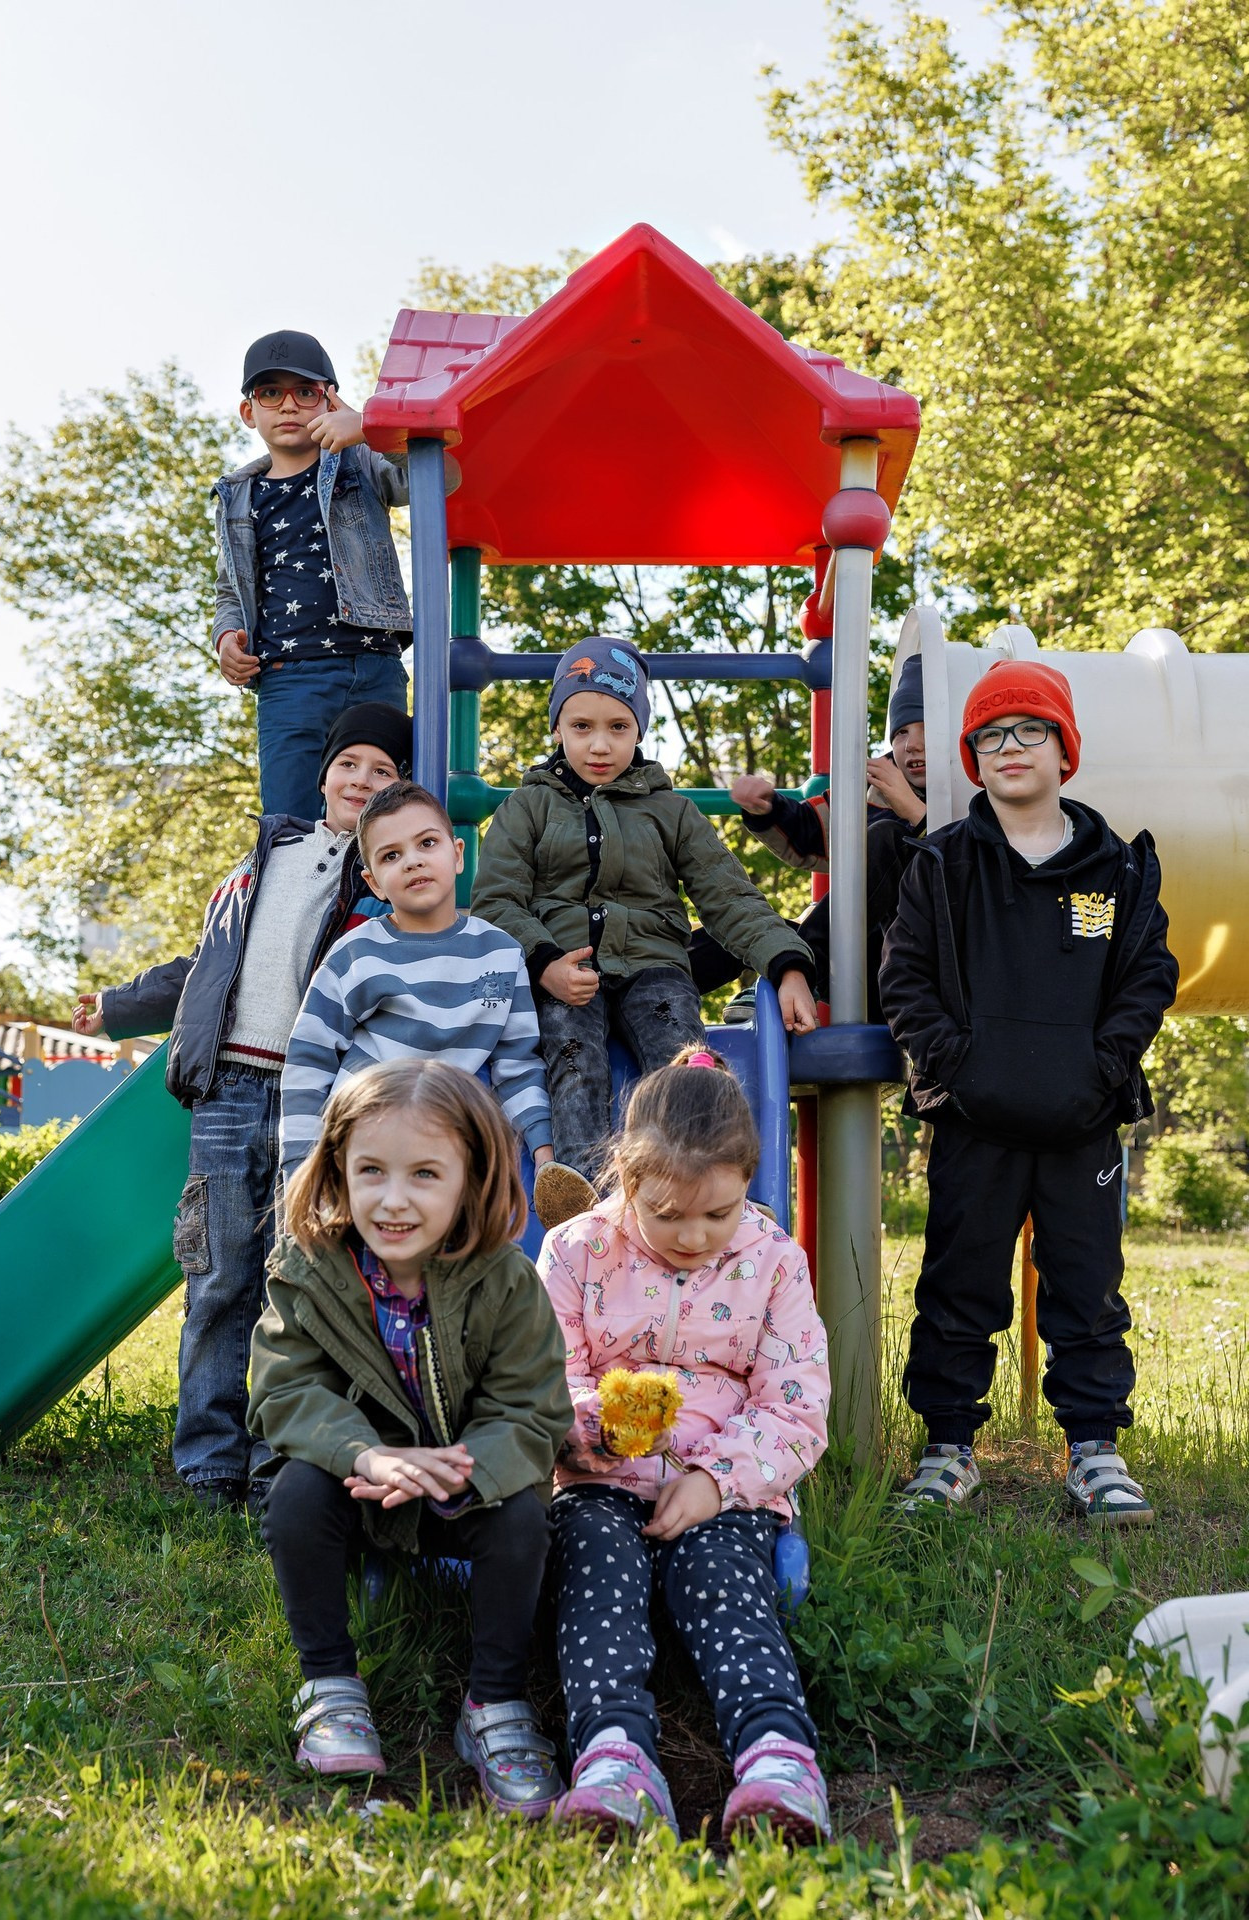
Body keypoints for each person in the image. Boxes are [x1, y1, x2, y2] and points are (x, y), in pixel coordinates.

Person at [72, 703, 413, 1510]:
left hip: (316, 1100)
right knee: (219, 1271)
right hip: (228, 1088)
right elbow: (207, 965)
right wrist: (120, 1006)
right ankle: (208, 1462)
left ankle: (276, 1456)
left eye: (384, 772)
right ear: (325, 771)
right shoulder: (268, 856)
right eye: (351, 764)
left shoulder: (384, 875)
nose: (362, 781)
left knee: (292, 1276)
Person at [879, 660, 1178, 1523]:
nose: (1012, 748)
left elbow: (1146, 978)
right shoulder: (942, 864)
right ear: (971, 758)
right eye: (991, 736)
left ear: (1064, 749)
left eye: (1030, 731)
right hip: (975, 1121)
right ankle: (946, 1451)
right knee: (957, 1283)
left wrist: (1101, 1070)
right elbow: (908, 981)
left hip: (1081, 1122)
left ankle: (1095, 1452)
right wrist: (958, 1069)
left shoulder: (1116, 868)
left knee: (1086, 1286)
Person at [249, 1059, 573, 1805]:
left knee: (525, 1518)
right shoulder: (309, 1267)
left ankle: (494, 1703)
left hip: (468, 1490)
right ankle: (332, 1684)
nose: (393, 1201)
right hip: (362, 1487)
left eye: (425, 1174)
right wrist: (366, 1453)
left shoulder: (504, 1280)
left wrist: (465, 1467)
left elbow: (533, 1407)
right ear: (337, 1169)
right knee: (295, 1493)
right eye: (371, 1172)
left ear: (474, 1177)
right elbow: (285, 1387)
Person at [538, 1046, 832, 1842]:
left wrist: (715, 1478)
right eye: (665, 1214)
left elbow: (796, 1407)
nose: (694, 1236)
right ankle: (614, 1759)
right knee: (595, 1581)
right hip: (596, 1481)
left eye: (718, 1213)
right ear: (626, 1180)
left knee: (725, 1587)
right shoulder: (575, 1252)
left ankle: (778, 1757)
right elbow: (538, 1372)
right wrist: (576, 1427)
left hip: (724, 1485)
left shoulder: (772, 1263)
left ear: (749, 1186)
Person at [470, 637, 819, 1181]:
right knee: (571, 1055)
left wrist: (788, 966)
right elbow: (496, 900)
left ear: (639, 730)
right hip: (564, 966)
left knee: (681, 1052)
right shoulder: (528, 806)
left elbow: (729, 897)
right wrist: (543, 964)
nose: (600, 745)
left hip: (653, 966)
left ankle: (697, 1180)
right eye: (581, 726)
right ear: (556, 729)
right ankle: (583, 1190)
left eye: (618, 727)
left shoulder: (669, 811)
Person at [279, 781, 591, 1229]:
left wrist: (545, 1158)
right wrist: (301, 1171)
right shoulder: (357, 953)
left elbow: (517, 1063)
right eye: (391, 856)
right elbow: (309, 1058)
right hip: (366, 1133)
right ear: (374, 883)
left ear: (458, 853)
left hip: (446, 1136)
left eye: (427, 843)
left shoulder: (500, 953)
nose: (413, 860)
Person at [213, 329, 430, 820]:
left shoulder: (360, 463)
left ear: (329, 399)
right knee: (290, 822)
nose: (288, 406)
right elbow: (231, 589)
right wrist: (226, 637)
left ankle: (377, 900)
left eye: (305, 392)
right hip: (290, 679)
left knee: (386, 815)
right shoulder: (239, 496)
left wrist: (370, 425)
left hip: (372, 663)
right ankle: (296, 898)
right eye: (271, 393)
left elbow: (436, 476)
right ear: (250, 411)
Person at [690, 654, 929, 1021]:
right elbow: (812, 834)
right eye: (901, 732)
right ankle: (637, 981)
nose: (912, 744)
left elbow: (966, 866)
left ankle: (797, 968)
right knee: (758, 932)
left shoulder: (973, 793)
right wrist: (769, 808)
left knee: (887, 837)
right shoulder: (872, 792)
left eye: (926, 728)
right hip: (846, 963)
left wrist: (912, 810)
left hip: (912, 972)